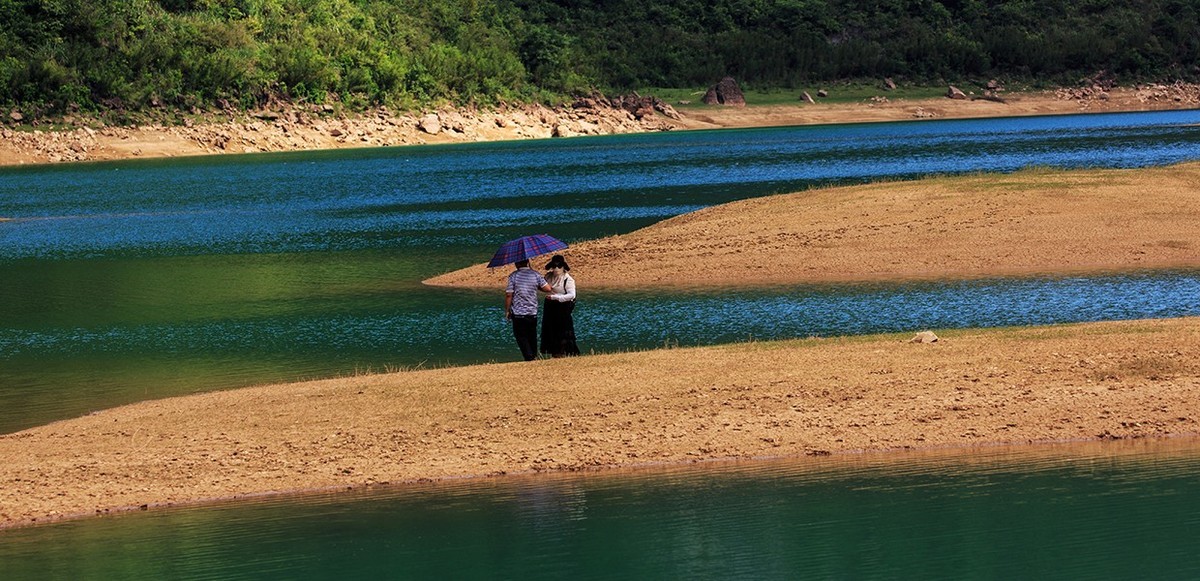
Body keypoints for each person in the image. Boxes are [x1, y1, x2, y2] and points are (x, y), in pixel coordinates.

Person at [505, 259, 552, 361]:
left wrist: (507, 310)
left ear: (516, 263)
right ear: (527, 262)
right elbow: (548, 289)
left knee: (521, 336)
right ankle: (534, 356)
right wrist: (536, 286)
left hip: (518, 313)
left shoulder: (513, 276)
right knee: (532, 335)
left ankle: (529, 357)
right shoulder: (535, 275)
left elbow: (509, 294)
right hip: (532, 312)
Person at [540, 254, 580, 358]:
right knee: (550, 329)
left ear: (563, 267)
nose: (556, 269)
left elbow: (572, 295)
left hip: (563, 308)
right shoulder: (548, 276)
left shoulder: (568, 279)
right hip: (550, 307)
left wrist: (556, 297)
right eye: (554, 266)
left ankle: (565, 352)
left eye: (559, 266)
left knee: (563, 330)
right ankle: (555, 353)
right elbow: (542, 287)